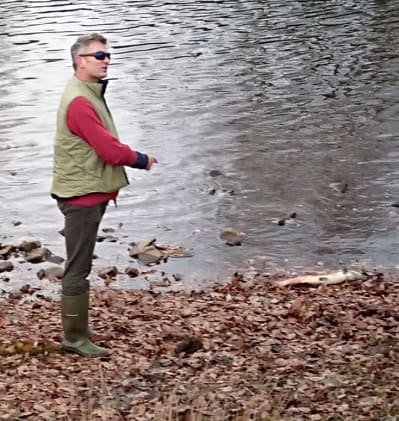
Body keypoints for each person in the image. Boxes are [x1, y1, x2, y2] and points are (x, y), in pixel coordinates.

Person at [51, 33, 157, 358]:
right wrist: (141, 159)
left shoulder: (87, 93)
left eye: (108, 55)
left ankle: (79, 328)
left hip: (86, 192)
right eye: (99, 55)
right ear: (80, 61)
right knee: (77, 269)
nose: (106, 59)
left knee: (78, 265)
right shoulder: (80, 102)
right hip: (80, 197)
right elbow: (109, 151)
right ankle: (74, 338)